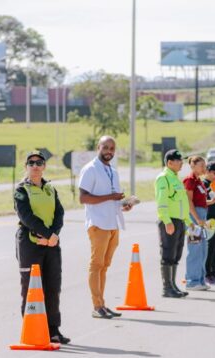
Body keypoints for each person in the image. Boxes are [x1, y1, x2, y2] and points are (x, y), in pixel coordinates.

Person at [14, 150, 69, 344]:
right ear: (26, 167)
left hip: (51, 243)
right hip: (30, 244)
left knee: (53, 287)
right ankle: (32, 329)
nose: (35, 166)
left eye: (39, 163)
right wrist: (46, 235)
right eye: (31, 163)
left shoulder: (50, 189)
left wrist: (53, 235)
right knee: (30, 287)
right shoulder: (21, 190)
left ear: (44, 166)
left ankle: (53, 330)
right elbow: (26, 216)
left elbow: (59, 214)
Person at [78, 136, 133, 319]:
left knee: (104, 266)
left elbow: (113, 198)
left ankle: (102, 303)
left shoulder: (112, 170)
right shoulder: (90, 169)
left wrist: (123, 204)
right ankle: (97, 305)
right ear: (98, 147)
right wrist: (111, 197)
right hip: (98, 223)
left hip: (112, 223)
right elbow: (83, 198)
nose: (109, 151)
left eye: (112, 148)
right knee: (96, 264)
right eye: (105, 147)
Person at [155, 149, 193, 298]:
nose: (181, 163)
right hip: (169, 220)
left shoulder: (176, 178)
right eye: (179, 161)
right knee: (168, 253)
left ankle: (173, 285)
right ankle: (167, 288)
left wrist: (188, 222)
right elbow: (162, 201)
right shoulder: (163, 178)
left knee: (176, 253)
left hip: (179, 221)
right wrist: (166, 221)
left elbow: (182, 203)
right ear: (170, 162)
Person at [183, 155, 210, 291]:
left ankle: (200, 279)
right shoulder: (190, 181)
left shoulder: (200, 181)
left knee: (203, 249)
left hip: (202, 216)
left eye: (204, 166)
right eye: (201, 166)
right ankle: (192, 281)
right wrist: (197, 219)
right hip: (194, 218)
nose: (204, 168)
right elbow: (189, 202)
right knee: (195, 249)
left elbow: (202, 201)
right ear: (193, 166)